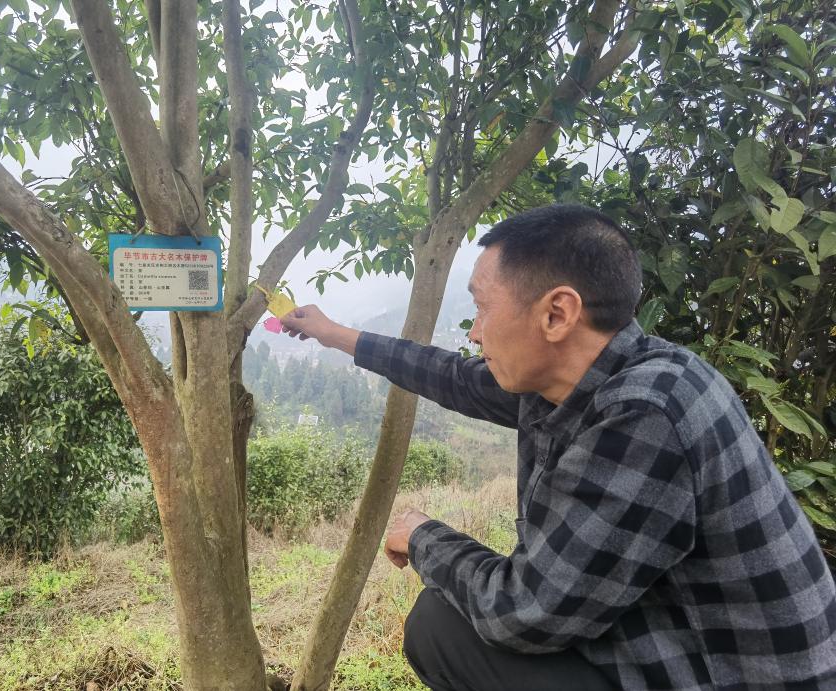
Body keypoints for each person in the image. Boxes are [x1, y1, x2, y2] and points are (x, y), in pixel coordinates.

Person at [280, 204, 836, 691]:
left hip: (730, 675)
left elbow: (524, 613)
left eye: (483, 308)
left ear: (556, 314)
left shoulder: (644, 416)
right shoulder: (590, 375)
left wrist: (422, 535)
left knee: (440, 629)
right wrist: (335, 334)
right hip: (675, 642)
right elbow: (452, 378)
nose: (474, 333)